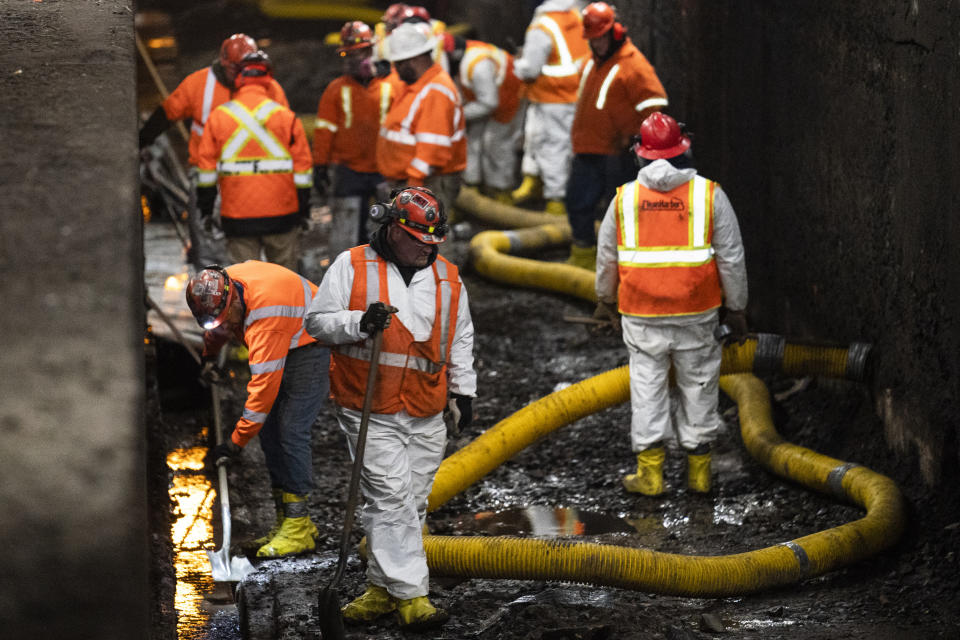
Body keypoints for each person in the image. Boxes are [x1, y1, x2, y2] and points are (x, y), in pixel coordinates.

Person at [305, 187, 476, 631]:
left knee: (411, 504)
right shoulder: (352, 264)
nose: (428, 248)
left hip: (425, 405)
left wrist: (463, 392)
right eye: (420, 239)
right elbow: (317, 322)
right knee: (390, 497)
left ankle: (382, 589)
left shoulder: (448, 277)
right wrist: (358, 323)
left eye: (434, 240)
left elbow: (459, 337)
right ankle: (414, 596)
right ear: (394, 229)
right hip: (367, 405)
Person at [594, 112, 749, 497]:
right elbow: (731, 257)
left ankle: (650, 475)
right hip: (697, 311)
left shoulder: (625, 198)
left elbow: (606, 257)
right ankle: (699, 475)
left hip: (642, 313)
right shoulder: (709, 194)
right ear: (683, 150)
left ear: (640, 155)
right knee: (699, 384)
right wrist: (738, 307)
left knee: (647, 386)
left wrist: (604, 301)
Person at [185, 261, 331, 557]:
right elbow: (219, 325)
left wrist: (235, 443)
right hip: (287, 327)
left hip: (312, 341)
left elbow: (262, 389)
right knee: (270, 432)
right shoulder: (220, 288)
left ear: (235, 300)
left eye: (227, 319)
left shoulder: (264, 315)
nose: (224, 326)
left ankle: (299, 527)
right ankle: (284, 522)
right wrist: (210, 356)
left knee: (290, 429)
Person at [139, 34, 289, 268]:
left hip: (251, 179)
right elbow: (167, 113)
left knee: (246, 249)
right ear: (224, 64)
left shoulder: (269, 89)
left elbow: (286, 133)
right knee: (208, 249)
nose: (241, 76)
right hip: (209, 177)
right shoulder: (199, 84)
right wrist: (141, 141)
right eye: (236, 70)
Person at [565, 2, 668, 270]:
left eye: (600, 38)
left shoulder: (633, 64)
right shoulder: (593, 62)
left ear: (615, 32)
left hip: (615, 153)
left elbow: (654, 103)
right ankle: (583, 258)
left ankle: (621, 266)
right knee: (578, 203)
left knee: (618, 212)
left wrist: (633, 135)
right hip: (588, 147)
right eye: (593, 39)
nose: (596, 44)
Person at [196, 51, 313, 273]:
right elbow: (303, 172)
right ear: (269, 79)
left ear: (238, 79)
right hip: (282, 218)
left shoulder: (218, 117)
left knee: (244, 285)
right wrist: (303, 211)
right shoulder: (287, 118)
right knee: (284, 283)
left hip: (237, 219)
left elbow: (206, 173)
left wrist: (206, 211)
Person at [313, 21, 398, 259]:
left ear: (370, 51)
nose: (351, 59)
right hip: (348, 170)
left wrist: (388, 70)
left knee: (394, 227)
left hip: (385, 168)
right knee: (346, 233)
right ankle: (344, 278)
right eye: (346, 55)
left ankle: (392, 274)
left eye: (357, 53)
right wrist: (320, 165)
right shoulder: (336, 89)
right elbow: (324, 130)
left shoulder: (391, 84)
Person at [376, 22, 466, 212]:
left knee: (426, 238)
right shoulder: (419, 85)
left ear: (412, 60)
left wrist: (413, 186)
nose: (396, 71)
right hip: (414, 181)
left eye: (398, 64)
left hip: (427, 182)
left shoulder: (435, 91)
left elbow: (433, 149)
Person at [510, 0, 589, 214]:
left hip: (551, 97)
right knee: (550, 142)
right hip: (574, 93)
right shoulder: (575, 16)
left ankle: (556, 200)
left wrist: (517, 64)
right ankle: (535, 182)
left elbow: (530, 70)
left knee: (551, 147)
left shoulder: (543, 26)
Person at [443, 34, 525, 203]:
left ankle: (501, 191)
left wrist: (457, 115)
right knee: (472, 140)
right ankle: (474, 186)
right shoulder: (462, 62)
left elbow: (489, 102)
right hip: (486, 95)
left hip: (509, 94)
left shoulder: (478, 65)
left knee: (496, 143)